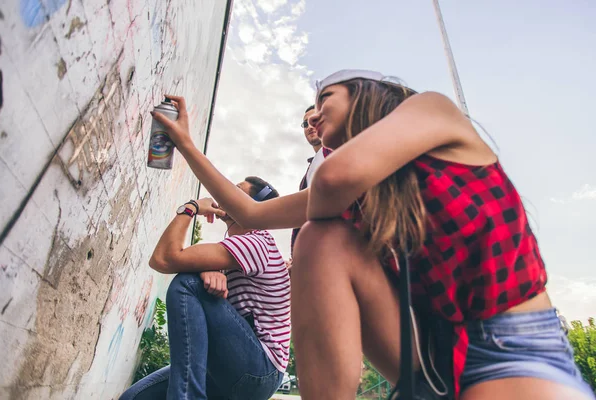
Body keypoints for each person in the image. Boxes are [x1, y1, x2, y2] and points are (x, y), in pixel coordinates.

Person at [150, 79, 594, 400]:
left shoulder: (432, 111)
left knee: (319, 233)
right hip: (426, 351)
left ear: (365, 94)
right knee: (319, 243)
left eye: (325, 98)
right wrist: (184, 142)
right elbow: (250, 212)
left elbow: (336, 175)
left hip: (509, 344)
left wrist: (323, 176)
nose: (314, 115)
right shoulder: (342, 196)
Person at [119, 177, 289, 400]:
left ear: (253, 206)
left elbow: (164, 258)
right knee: (133, 398)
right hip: (230, 366)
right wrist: (207, 268)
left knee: (187, 284)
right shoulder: (238, 250)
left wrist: (191, 207)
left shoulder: (257, 242)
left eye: (236, 191)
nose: (225, 193)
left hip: (259, 370)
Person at [288, 105, 331, 266]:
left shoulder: (336, 154)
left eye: (315, 119)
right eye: (305, 124)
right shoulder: (314, 165)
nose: (310, 126)